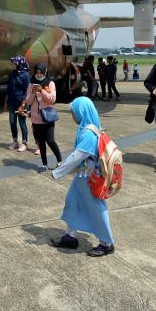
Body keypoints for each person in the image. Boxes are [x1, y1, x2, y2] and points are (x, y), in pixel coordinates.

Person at [49, 97, 115, 257]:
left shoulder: (87, 133)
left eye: (73, 112)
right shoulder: (89, 128)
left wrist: (57, 172)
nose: (72, 116)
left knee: (97, 208)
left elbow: (77, 157)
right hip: (82, 177)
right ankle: (70, 236)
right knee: (72, 202)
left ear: (81, 112)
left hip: (89, 179)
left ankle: (107, 243)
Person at [18, 63, 62, 171]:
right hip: (36, 118)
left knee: (50, 141)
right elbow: (28, 101)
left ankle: (60, 161)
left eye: (41, 72)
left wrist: (41, 90)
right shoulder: (31, 84)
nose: (38, 75)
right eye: (37, 73)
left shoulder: (50, 83)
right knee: (41, 142)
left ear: (45, 72)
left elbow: (52, 99)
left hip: (47, 117)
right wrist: (33, 92)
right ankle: (44, 164)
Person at [3, 55, 31, 152]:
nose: (12, 64)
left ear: (19, 63)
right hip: (12, 102)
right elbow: (9, 88)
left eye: (14, 63)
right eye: (12, 63)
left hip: (21, 103)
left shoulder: (25, 75)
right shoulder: (12, 74)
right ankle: (15, 141)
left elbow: (27, 92)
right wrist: (6, 101)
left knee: (22, 123)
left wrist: (22, 105)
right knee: (12, 122)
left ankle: (24, 143)